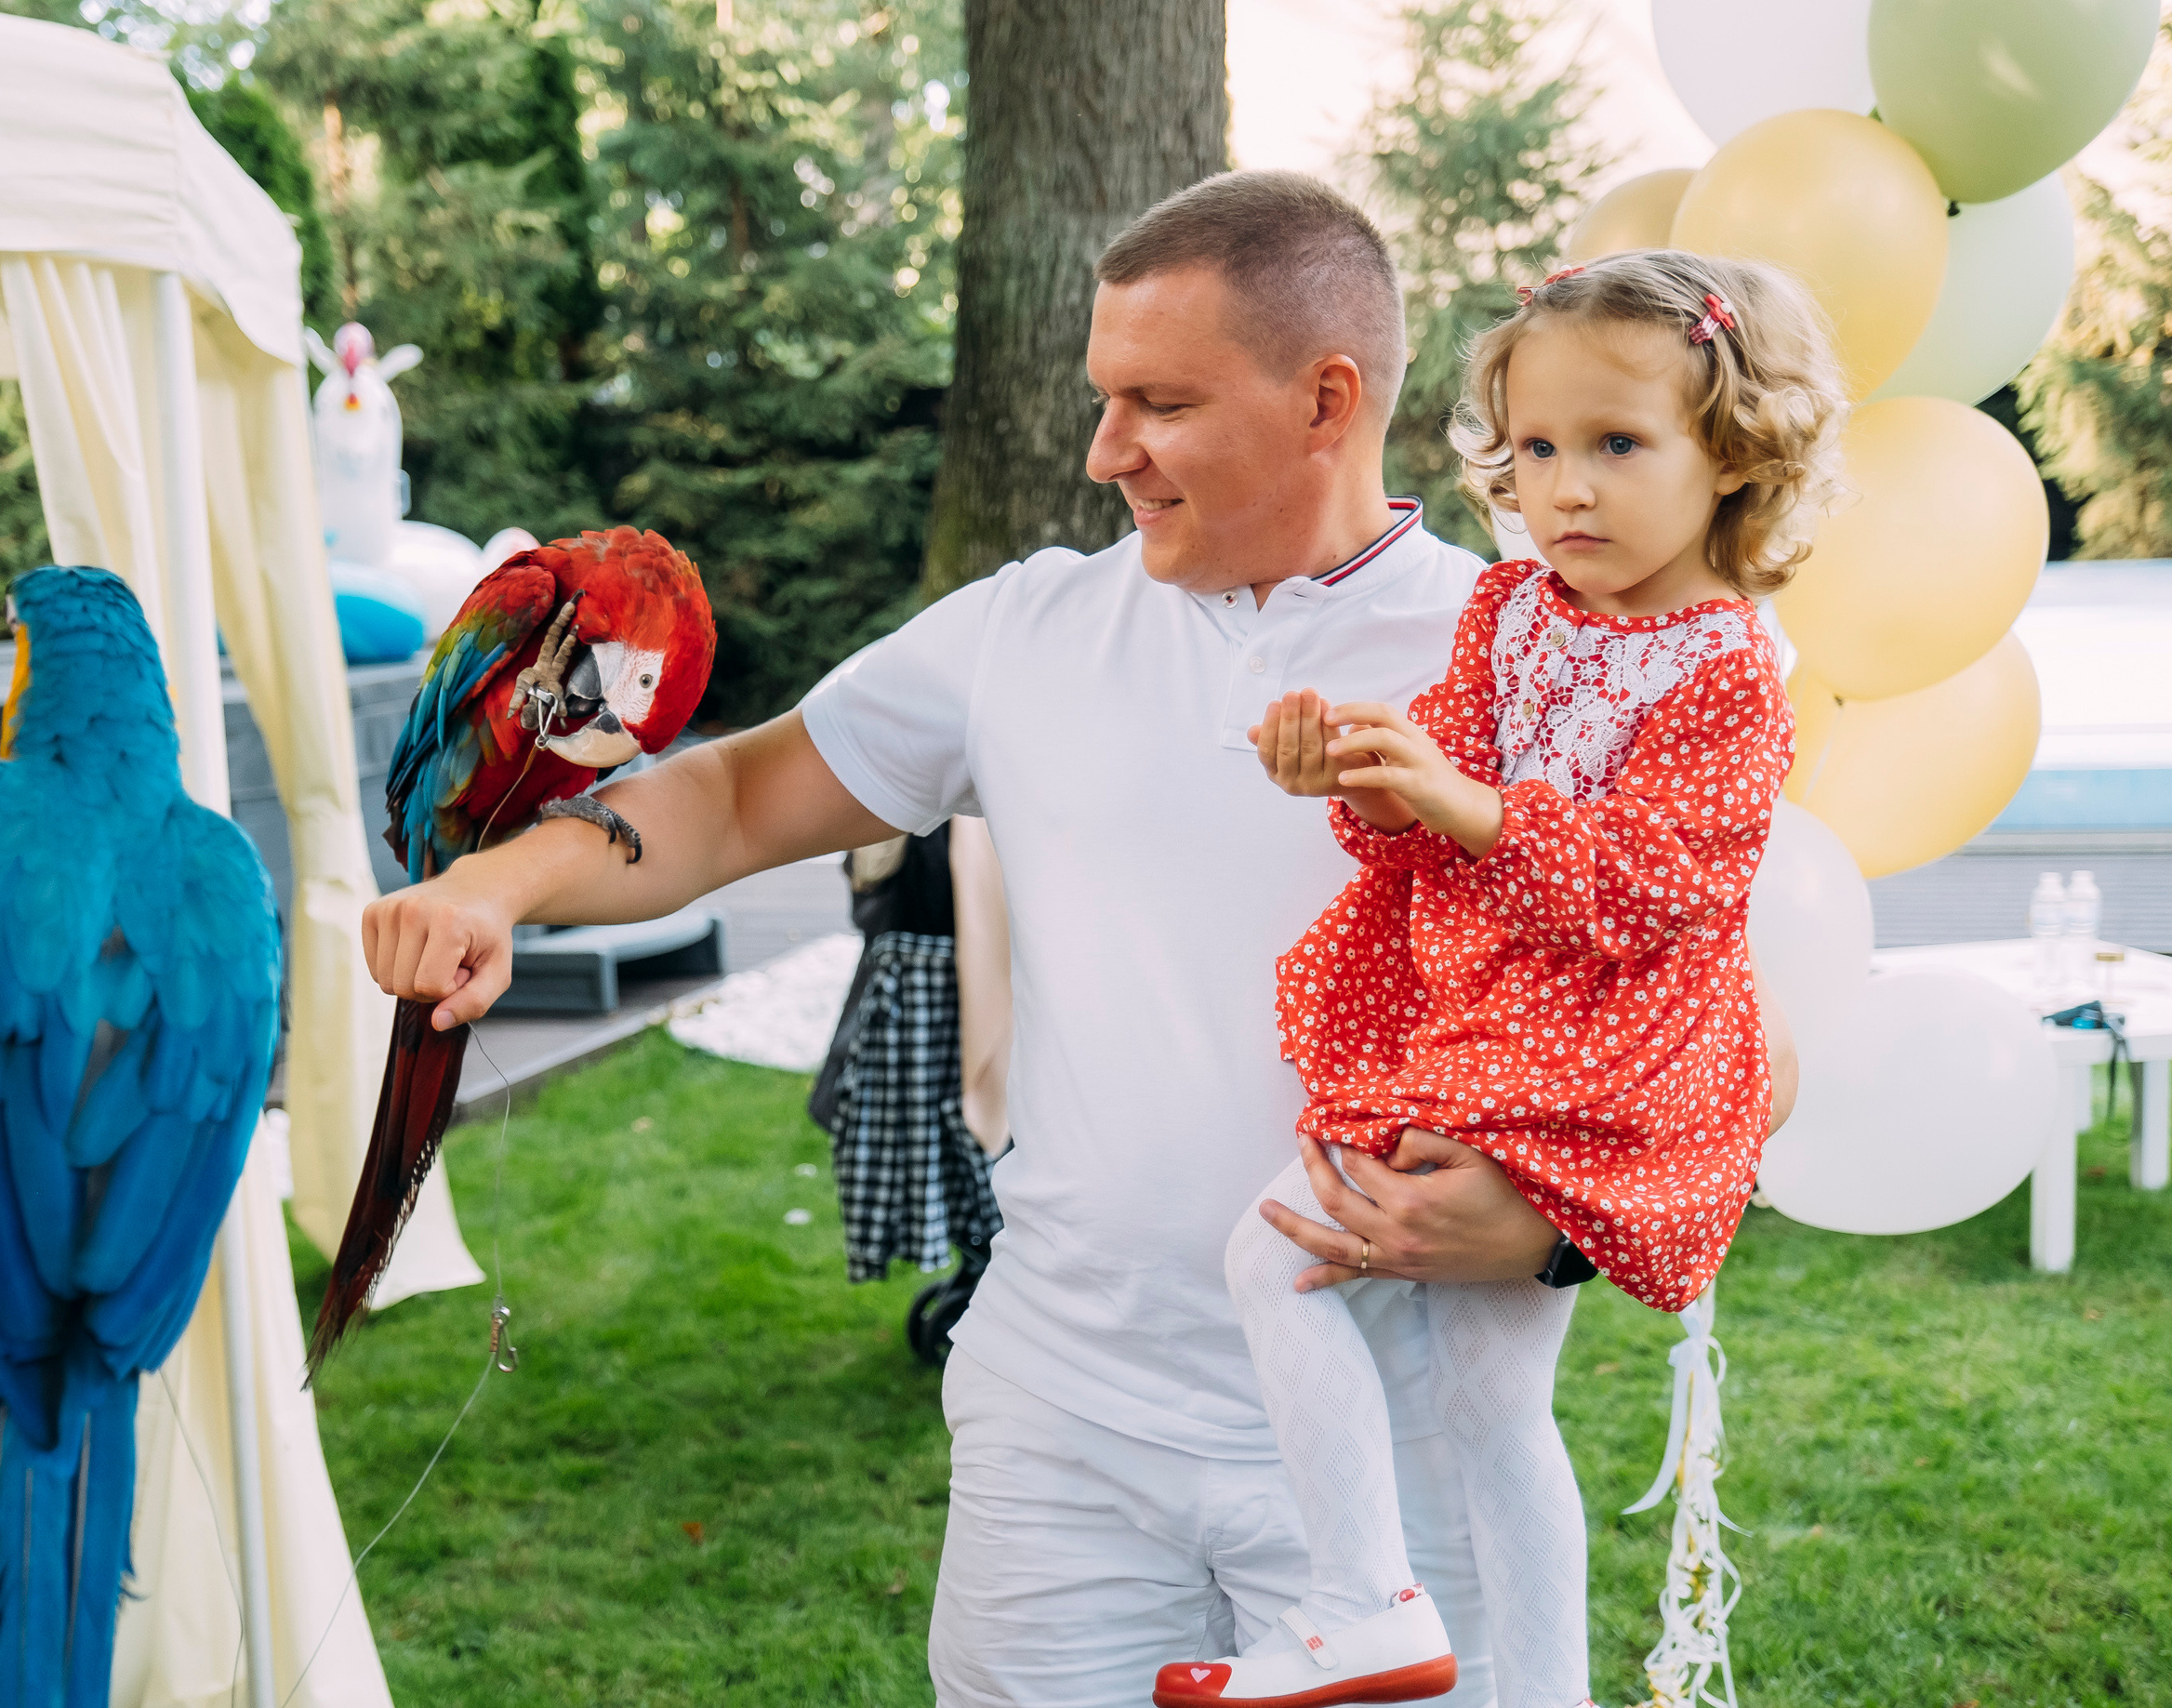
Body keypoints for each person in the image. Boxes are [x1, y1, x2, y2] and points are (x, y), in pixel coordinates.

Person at [364, 172, 1797, 1708]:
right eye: (1105, 397)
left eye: (1159, 403)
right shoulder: (1023, 629)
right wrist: (499, 884)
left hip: (1396, 1464)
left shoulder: (1548, 648)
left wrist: (1552, 1232)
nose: (1105, 448)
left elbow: (1745, 1038)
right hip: (1060, 1428)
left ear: (1326, 401)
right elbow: (733, 795)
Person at [1156, 252, 1845, 1708]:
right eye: (1536, 448)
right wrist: (1369, 773)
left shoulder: (1729, 667)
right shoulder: (1512, 611)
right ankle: (1541, 1686)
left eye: (1617, 444)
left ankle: (1363, 1600)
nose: (1566, 489)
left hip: (1593, 1049)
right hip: (1477, 1015)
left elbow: (1660, 885)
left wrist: (1464, 803)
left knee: (1272, 1261)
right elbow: (1439, 797)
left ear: (1733, 454)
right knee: (1488, 1401)